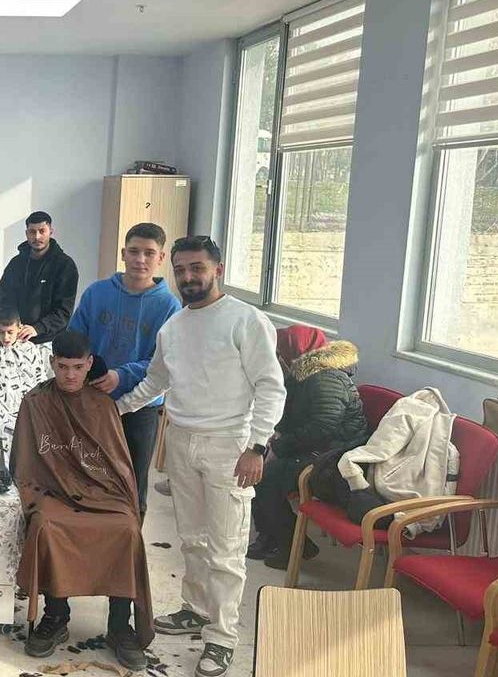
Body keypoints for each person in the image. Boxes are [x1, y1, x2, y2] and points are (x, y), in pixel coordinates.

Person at [115, 236, 285, 677]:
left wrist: (257, 446)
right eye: (181, 270)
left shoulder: (246, 320)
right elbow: (155, 382)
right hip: (181, 441)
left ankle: (222, 637)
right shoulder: (173, 327)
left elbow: (271, 386)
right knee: (191, 537)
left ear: (218, 270)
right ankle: (194, 609)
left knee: (226, 549)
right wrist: (115, 409)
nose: (188, 277)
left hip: (231, 446)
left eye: (197, 268)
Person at [11, 332, 152, 670]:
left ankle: (119, 625)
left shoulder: (102, 404)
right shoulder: (35, 402)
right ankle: (56, 615)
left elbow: (118, 464)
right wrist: (43, 493)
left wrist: (123, 500)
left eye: (77, 367)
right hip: (52, 491)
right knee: (46, 525)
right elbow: (26, 463)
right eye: (62, 367)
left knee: (126, 528)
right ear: (52, 363)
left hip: (102, 490)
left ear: (89, 364)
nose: (70, 375)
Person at [68, 222, 182, 517]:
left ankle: (130, 541)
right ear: (123, 254)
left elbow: (163, 363)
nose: (140, 259)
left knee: (132, 484)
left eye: (149, 253)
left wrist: (122, 375)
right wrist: (84, 370)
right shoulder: (97, 293)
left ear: (161, 257)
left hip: (141, 407)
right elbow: (74, 339)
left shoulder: (169, 307)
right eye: (134, 251)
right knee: (87, 476)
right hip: (92, 399)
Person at [250, 327, 369, 569]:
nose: (277, 358)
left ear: (292, 353)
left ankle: (295, 546)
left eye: (279, 353)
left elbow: (323, 426)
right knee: (257, 467)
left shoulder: (325, 378)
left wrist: (280, 447)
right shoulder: (305, 375)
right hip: (318, 447)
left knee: (266, 477)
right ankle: (269, 537)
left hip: (333, 456)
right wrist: (274, 437)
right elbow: (293, 415)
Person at [0, 211, 79, 345]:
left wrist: (37, 328)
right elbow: (4, 301)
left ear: (50, 231)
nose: (37, 236)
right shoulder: (16, 264)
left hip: (50, 342)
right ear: (26, 233)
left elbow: (64, 311)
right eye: (32, 232)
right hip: (17, 339)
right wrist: (14, 326)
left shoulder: (65, 265)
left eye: (42, 231)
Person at [0, 307, 51, 461]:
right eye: (1, 332)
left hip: (25, 412)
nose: (6, 337)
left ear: (19, 328)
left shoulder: (30, 350)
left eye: (10, 332)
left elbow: (41, 383)